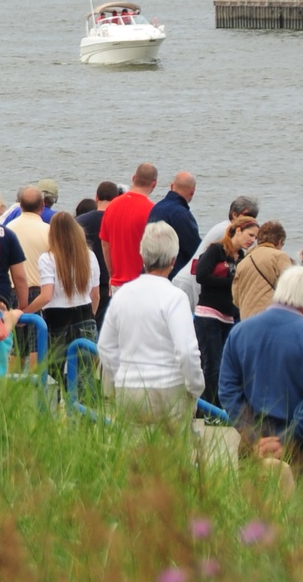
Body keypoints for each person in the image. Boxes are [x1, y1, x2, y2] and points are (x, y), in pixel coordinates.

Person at [219, 266, 303, 477]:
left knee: (254, 507)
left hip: (255, 441)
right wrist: (287, 439)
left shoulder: (239, 332)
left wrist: (253, 434)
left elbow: (228, 391)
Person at [96, 220, 205, 423]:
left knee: (132, 451)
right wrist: (195, 387)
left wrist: (121, 376)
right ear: (173, 260)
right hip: (168, 388)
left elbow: (105, 347)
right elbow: (187, 351)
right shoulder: (175, 297)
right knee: (172, 453)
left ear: (143, 257)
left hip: (129, 389)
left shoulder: (123, 295)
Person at [193, 214, 259, 406]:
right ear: (237, 230)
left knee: (224, 363)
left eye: (255, 237)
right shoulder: (216, 250)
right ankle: (210, 408)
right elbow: (201, 276)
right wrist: (231, 282)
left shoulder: (242, 257)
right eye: (250, 235)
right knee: (212, 363)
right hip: (208, 312)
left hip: (228, 315)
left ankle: (219, 405)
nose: (252, 240)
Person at [174, 194, 260, 310]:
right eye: (247, 215)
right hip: (188, 284)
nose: (250, 220)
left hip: (189, 281)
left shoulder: (228, 230)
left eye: (253, 217)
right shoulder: (226, 230)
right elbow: (202, 270)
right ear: (234, 214)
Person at [36, 209, 100, 357]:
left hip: (56, 318)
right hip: (85, 315)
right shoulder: (89, 256)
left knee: (56, 371)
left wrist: (25, 312)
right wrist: (91, 316)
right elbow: (95, 295)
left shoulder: (47, 258)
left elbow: (46, 296)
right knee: (85, 372)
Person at [99, 162, 158, 292]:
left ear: (133, 178)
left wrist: (111, 274)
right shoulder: (152, 210)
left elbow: (105, 244)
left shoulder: (112, 206)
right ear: (154, 184)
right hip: (142, 284)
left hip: (117, 282)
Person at [76, 180, 119, 326]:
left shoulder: (79, 222)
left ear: (96, 198)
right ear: (117, 199)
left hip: (84, 281)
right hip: (110, 282)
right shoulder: (119, 221)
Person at [232, 221, 292, 319]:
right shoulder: (279, 257)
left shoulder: (243, 262)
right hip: (271, 317)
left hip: (247, 320)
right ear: (280, 241)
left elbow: (236, 298)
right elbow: (291, 289)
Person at [6, 185, 52, 307]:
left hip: (12, 291)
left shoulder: (8, 229)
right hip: (40, 293)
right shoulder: (49, 231)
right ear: (42, 206)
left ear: (20, 206)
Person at [148, 172, 200, 276]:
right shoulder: (181, 214)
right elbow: (195, 250)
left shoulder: (156, 208)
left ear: (172, 186)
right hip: (173, 275)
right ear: (192, 191)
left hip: (151, 271)